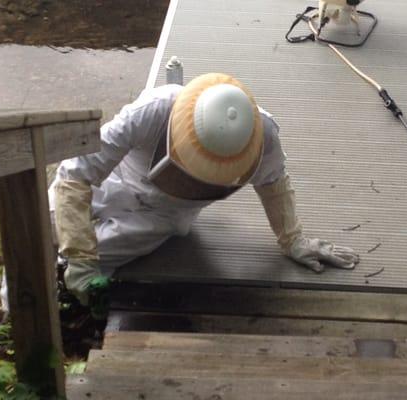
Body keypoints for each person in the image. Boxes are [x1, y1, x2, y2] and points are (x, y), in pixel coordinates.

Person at [49, 73, 359, 305]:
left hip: (166, 214)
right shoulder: (153, 109)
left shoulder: (263, 134)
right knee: (45, 224)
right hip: (115, 179)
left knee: (124, 243)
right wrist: (80, 255)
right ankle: (19, 307)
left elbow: (273, 184)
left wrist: (292, 239)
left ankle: (67, 284)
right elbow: (75, 174)